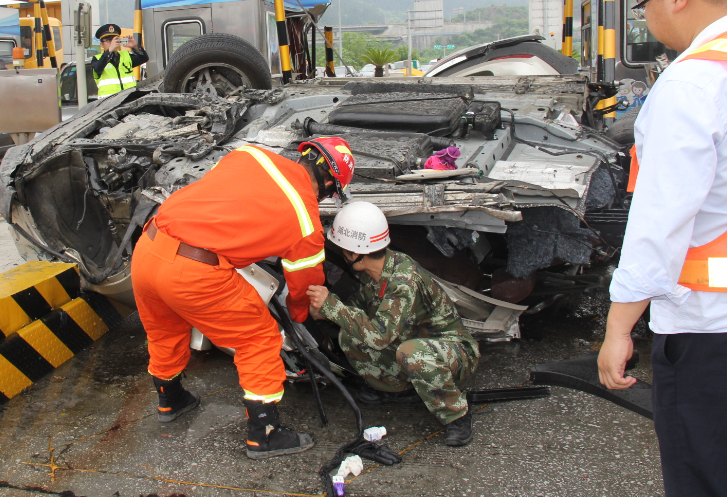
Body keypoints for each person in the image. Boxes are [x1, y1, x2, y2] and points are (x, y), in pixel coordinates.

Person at [596, 0, 727, 497]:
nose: (647, 20)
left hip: (708, 330)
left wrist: (620, 325)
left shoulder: (693, 84)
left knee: (705, 486)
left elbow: (660, 222)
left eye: (643, 3)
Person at [131, 137, 355, 459]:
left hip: (149, 248)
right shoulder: (306, 222)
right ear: (330, 182)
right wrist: (304, 315)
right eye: (332, 193)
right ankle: (264, 434)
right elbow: (303, 286)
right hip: (193, 272)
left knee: (165, 330)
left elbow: (229, 202)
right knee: (259, 339)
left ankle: (171, 400)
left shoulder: (251, 154)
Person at [305, 201, 480, 446]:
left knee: (412, 353)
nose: (343, 253)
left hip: (454, 351)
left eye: (344, 249)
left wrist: (332, 307)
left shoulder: (403, 280)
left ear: (356, 254)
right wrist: (326, 313)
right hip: (412, 340)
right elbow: (361, 309)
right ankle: (397, 389)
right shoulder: (375, 272)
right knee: (350, 335)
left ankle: (457, 414)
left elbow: (380, 336)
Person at [92, 24, 148, 99]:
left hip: (129, 99)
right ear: (102, 44)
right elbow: (98, 68)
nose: (113, 43)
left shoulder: (125, 55)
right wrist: (109, 51)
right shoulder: (97, 59)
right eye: (109, 40)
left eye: (115, 39)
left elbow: (144, 58)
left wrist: (135, 46)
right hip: (108, 103)